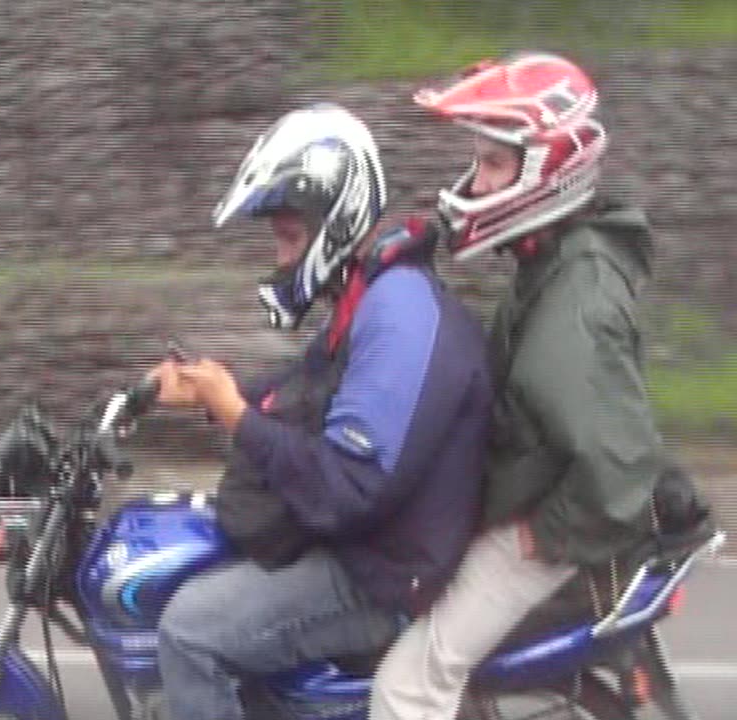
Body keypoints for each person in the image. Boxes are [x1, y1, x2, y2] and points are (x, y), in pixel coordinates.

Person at [148, 102, 493, 720]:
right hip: (375, 536)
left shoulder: (397, 316)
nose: (280, 260)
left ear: (333, 219)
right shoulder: (370, 289)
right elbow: (307, 388)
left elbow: (344, 488)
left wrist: (236, 416)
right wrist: (211, 396)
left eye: (288, 237)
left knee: (189, 632)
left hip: (385, 569)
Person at [369, 51, 681, 719]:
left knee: (404, 688)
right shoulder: (554, 252)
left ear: (549, 169)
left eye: (493, 165)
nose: (475, 185)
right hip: (523, 486)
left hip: (551, 525)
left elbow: (618, 461)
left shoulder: (579, 304)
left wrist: (543, 536)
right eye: (478, 163)